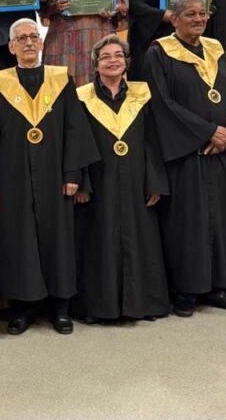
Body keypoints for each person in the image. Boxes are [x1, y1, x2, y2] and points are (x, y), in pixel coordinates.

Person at [0, 18, 99, 335]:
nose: (28, 42)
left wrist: (73, 173)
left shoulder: (61, 79)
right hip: (13, 176)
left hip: (54, 174)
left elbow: (74, 128)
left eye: (33, 36)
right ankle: (22, 309)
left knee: (57, 239)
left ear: (41, 42)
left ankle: (60, 308)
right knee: (19, 239)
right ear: (11, 47)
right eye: (21, 38)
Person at [143, 0, 226, 317]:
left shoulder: (217, 50)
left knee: (222, 221)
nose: (199, 19)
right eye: (190, 14)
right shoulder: (159, 53)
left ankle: (217, 287)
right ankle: (185, 290)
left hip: (221, 152)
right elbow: (162, 103)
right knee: (188, 225)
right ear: (174, 18)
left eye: (203, 13)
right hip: (186, 155)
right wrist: (207, 132)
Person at [72, 35, 169, 322]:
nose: (112, 61)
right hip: (99, 180)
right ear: (95, 65)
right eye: (105, 57)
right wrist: (82, 182)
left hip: (136, 178)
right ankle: (100, 307)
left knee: (140, 238)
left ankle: (141, 305)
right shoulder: (81, 97)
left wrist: (154, 181)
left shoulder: (143, 94)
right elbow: (77, 142)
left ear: (126, 62)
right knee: (100, 239)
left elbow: (153, 140)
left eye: (118, 56)